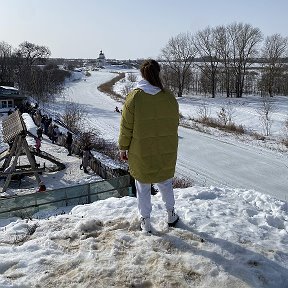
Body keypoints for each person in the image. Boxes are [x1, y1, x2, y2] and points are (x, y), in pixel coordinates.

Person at [118, 59, 179, 233]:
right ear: (158, 73)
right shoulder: (169, 96)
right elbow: (174, 123)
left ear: (142, 74)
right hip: (165, 149)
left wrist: (123, 148)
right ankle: (171, 214)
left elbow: (126, 127)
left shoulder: (134, 97)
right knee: (166, 183)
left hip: (141, 151)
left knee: (143, 186)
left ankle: (145, 221)